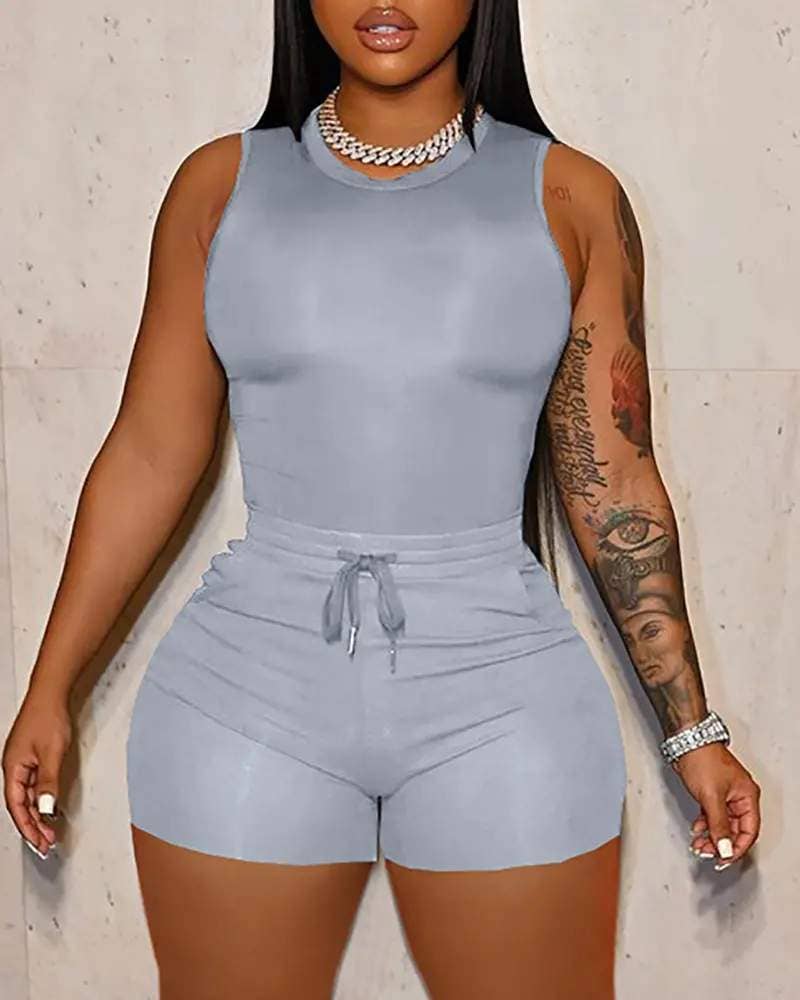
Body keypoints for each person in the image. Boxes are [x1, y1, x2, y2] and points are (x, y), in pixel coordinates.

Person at [2, 1, 762, 997]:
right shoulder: (220, 188)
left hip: (503, 693)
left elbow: (612, 480)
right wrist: (49, 686)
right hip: (244, 691)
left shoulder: (570, 197)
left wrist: (692, 732)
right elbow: (149, 451)